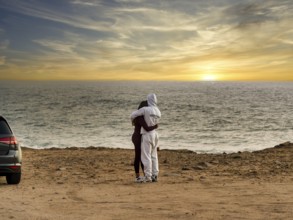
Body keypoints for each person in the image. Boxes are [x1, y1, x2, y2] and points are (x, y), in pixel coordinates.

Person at [130, 94, 161, 183]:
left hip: (147, 135)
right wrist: (155, 126)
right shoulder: (158, 111)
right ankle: (153, 175)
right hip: (151, 135)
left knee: (146, 156)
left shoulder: (145, 111)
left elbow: (132, 115)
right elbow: (149, 125)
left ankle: (148, 176)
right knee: (152, 156)